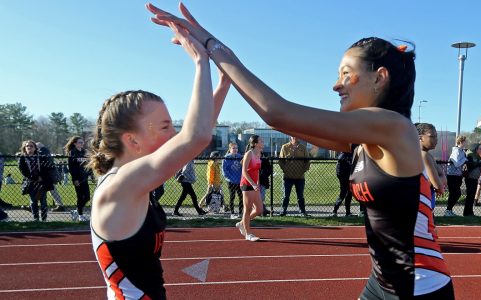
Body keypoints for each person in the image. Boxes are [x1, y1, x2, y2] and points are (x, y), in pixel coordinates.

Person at [146, 6, 454, 297]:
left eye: (347, 74)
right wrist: (217, 53)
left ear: (379, 77)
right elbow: (285, 122)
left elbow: (277, 113)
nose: (336, 85)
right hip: (382, 281)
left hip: (419, 287)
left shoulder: (393, 127)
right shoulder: (364, 138)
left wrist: (210, 48)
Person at [88, 20, 230, 300]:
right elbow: (196, 136)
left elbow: (198, 131)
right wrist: (201, 62)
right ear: (132, 141)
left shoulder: (134, 181)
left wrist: (224, 80)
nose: (174, 135)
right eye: (165, 127)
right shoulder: (119, 186)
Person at [236, 135, 264, 242]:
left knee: (259, 209)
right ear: (255, 144)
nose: (263, 142)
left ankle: (242, 223)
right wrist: (252, 184)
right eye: (261, 141)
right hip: (246, 184)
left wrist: (258, 184)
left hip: (254, 184)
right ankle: (248, 234)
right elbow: (244, 171)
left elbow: (257, 171)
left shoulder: (259, 154)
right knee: (247, 210)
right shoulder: (249, 153)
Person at [18, 140, 54, 221]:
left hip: (42, 182)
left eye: (31, 146)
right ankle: (36, 218)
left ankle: (44, 219)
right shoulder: (23, 158)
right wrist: (35, 178)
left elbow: (46, 168)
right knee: (33, 201)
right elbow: (23, 171)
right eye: (27, 146)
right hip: (31, 182)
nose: (29, 147)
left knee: (43, 201)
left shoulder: (41, 156)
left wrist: (41, 177)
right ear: (25, 148)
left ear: (35, 148)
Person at [277, 136, 311, 217]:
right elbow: (281, 161)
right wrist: (285, 170)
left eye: (296, 136)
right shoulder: (285, 147)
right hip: (287, 176)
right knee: (285, 195)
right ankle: (283, 211)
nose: (295, 137)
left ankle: (302, 211)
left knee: (300, 196)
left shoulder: (303, 147)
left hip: (300, 177)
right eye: (293, 136)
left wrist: (303, 170)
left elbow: (307, 161)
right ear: (290, 137)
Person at [415, 123, 446, 211]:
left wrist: (434, 182)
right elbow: (439, 186)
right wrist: (436, 183)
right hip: (421, 207)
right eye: (432, 136)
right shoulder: (424, 156)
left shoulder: (428, 155)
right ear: (420, 138)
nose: (436, 140)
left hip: (424, 206)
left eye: (436, 136)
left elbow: (442, 176)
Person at [66, 136, 92, 221]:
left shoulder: (85, 152)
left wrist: (91, 175)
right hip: (77, 178)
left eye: (82, 142)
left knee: (87, 197)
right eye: (80, 142)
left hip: (84, 178)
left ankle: (76, 211)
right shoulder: (72, 153)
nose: (82, 144)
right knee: (80, 197)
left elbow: (89, 165)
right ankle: (80, 215)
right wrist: (75, 179)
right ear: (75, 143)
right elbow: (72, 168)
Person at [36, 142, 66, 212]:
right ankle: (60, 205)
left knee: (42, 190)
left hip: (46, 175)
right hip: (48, 174)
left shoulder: (42, 152)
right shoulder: (45, 151)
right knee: (51, 190)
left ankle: (33, 204)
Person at [445, 135, 468, 217]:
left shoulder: (462, 151)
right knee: (455, 193)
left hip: (458, 176)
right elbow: (457, 163)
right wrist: (465, 160)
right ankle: (448, 210)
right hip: (452, 176)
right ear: (461, 142)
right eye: (465, 141)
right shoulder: (456, 151)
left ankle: (449, 210)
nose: (467, 142)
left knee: (455, 193)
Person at [222, 142, 243, 216]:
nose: (235, 149)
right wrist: (230, 178)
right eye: (233, 148)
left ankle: (240, 212)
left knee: (241, 197)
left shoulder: (240, 156)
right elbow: (224, 170)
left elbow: (243, 168)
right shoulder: (226, 158)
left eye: (236, 148)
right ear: (230, 149)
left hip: (239, 180)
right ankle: (232, 212)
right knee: (232, 196)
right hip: (231, 181)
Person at [463, 143, 481, 216]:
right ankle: (466, 212)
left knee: (472, 195)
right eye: (480, 149)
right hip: (470, 178)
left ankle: (470, 211)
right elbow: (470, 165)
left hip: (475, 178)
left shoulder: (478, 156)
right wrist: (477, 163)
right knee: (470, 195)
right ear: (476, 149)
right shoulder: (470, 155)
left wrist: (478, 163)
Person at [332, 149, 354, 217]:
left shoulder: (352, 155)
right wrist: (342, 177)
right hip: (344, 177)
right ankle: (335, 210)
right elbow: (338, 170)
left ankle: (348, 212)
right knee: (343, 193)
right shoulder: (342, 156)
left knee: (349, 193)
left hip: (350, 177)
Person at [259, 152, 272, 216]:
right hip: (254, 181)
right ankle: (261, 210)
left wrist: (263, 174)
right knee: (256, 197)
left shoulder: (265, 160)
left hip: (262, 181)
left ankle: (262, 210)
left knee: (262, 196)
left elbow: (269, 170)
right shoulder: (252, 160)